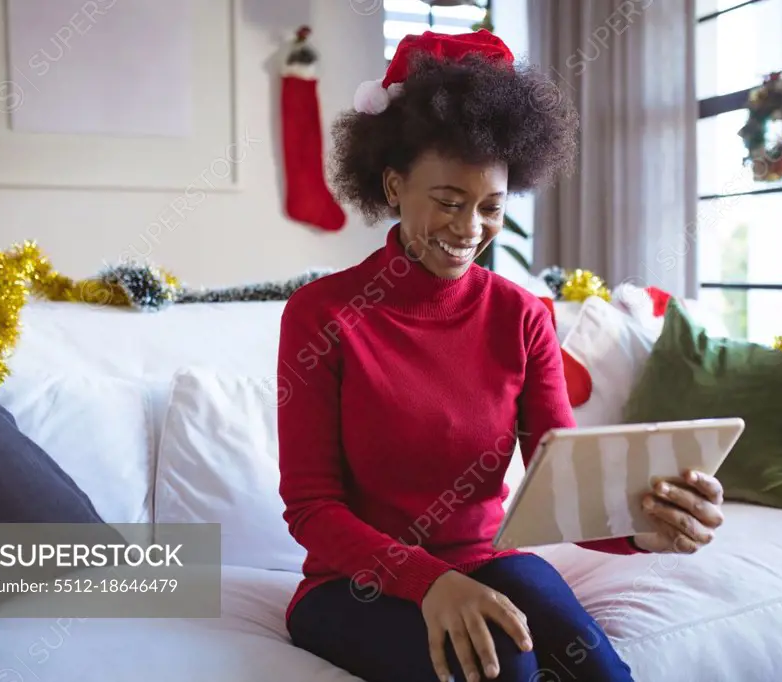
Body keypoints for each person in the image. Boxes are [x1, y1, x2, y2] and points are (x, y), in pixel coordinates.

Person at [277, 29, 725, 682]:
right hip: (353, 584)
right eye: (448, 203)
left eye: (490, 207)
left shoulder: (519, 315)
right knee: (503, 665)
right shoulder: (322, 315)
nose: (468, 230)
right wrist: (430, 583)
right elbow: (313, 511)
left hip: (486, 559)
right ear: (394, 185)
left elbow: (560, 486)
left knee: (598, 671)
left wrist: (645, 530)